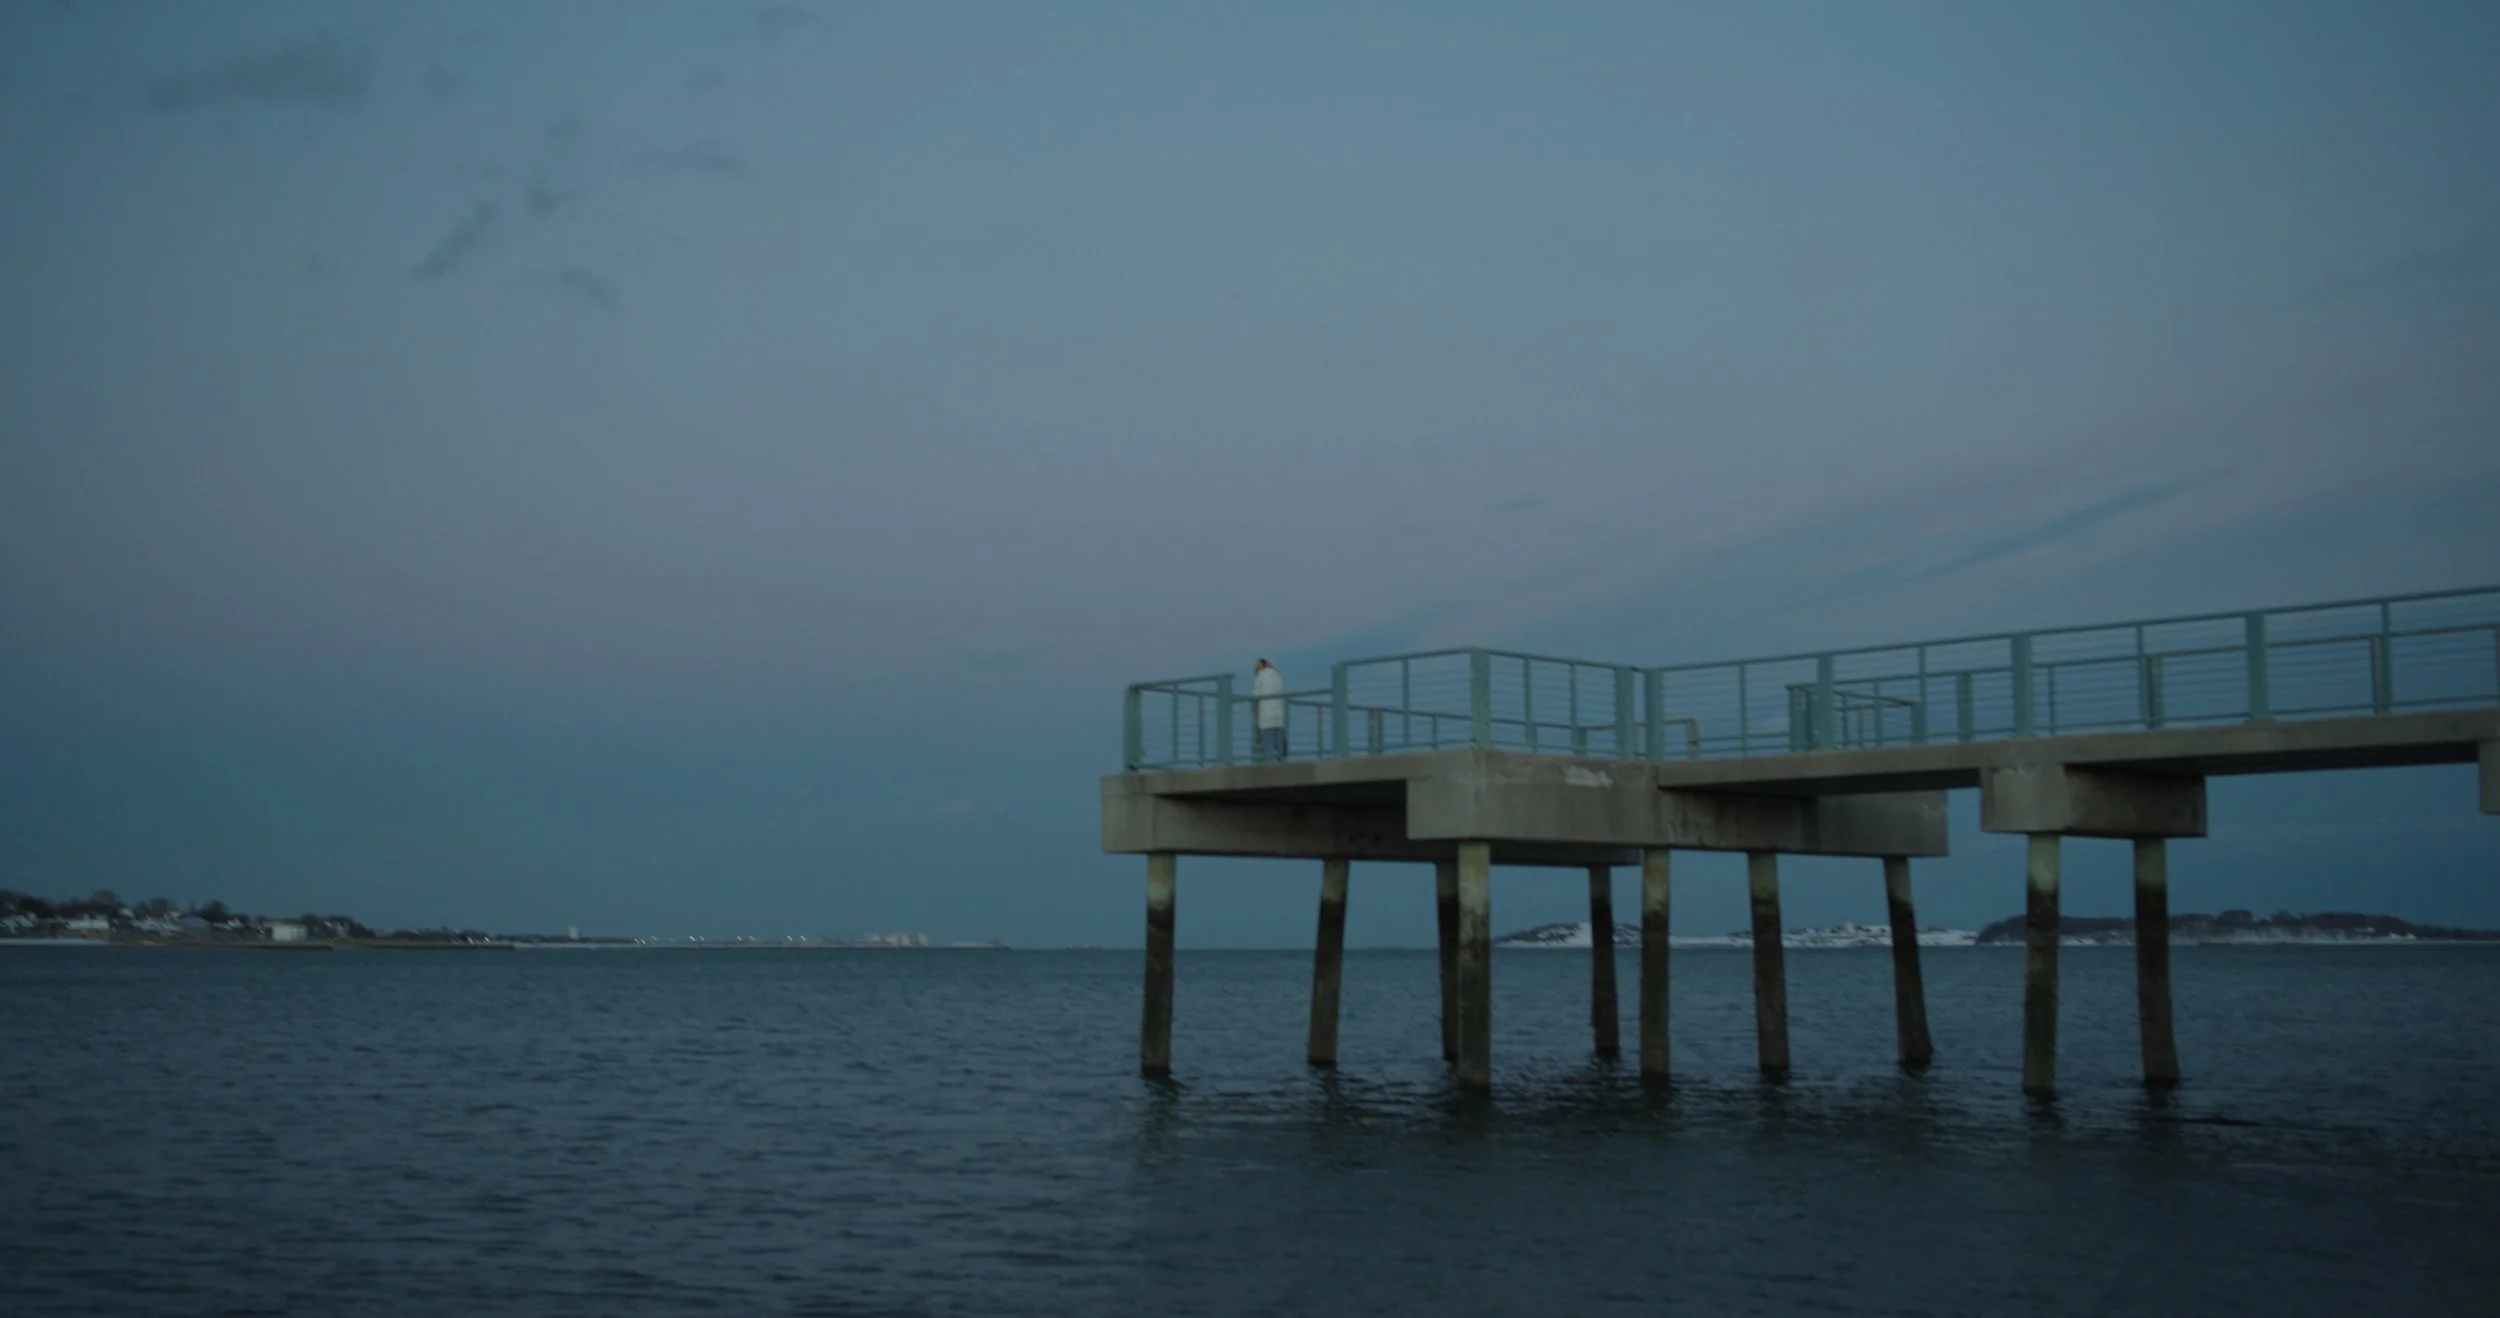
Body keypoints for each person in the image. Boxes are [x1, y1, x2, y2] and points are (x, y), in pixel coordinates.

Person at [1252, 658, 1287, 761]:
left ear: (1260, 666)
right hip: (1279, 716)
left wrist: (1254, 709)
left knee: (1267, 746)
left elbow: (1256, 695)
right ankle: (1282, 768)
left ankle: (1271, 769)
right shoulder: (1277, 675)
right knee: (1279, 745)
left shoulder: (1261, 676)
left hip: (1266, 715)